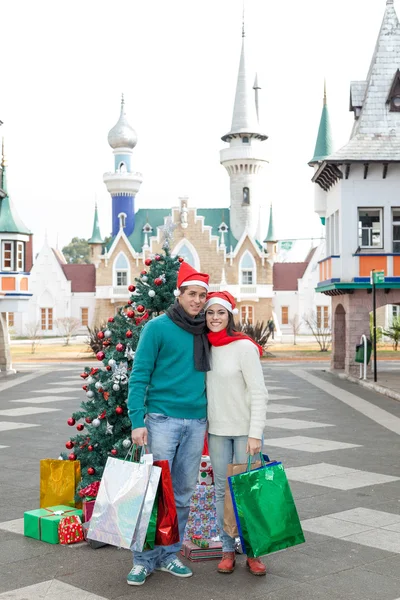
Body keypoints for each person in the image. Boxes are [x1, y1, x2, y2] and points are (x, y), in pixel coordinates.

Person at [126, 262, 210, 586]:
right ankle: (142, 559)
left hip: (196, 422)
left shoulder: (207, 331)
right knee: (153, 492)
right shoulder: (158, 328)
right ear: (180, 294)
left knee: (184, 494)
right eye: (192, 294)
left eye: (202, 295)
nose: (198, 300)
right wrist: (137, 420)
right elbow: (139, 376)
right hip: (161, 420)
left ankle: (169, 553)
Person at [205, 291, 268, 576]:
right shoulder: (203, 346)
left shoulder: (244, 347)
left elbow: (259, 392)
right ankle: (227, 550)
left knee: (247, 491)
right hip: (217, 431)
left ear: (230, 315)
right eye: (210, 312)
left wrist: (255, 433)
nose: (215, 318)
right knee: (221, 491)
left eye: (220, 312)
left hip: (244, 432)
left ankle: (253, 552)